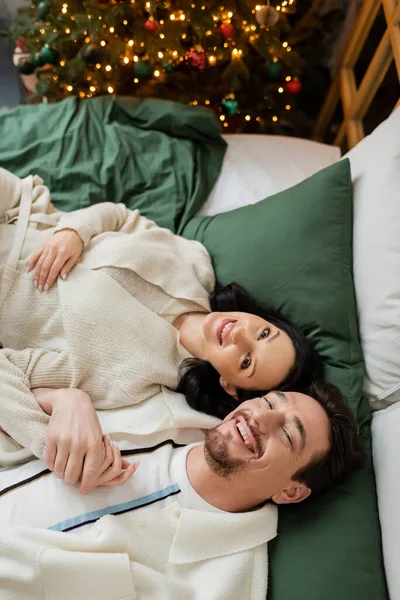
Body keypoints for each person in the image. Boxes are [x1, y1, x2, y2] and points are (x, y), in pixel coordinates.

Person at [0, 166, 318, 480]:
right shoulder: (195, 261)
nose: (240, 336)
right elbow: (119, 215)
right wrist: (74, 233)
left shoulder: (131, 379)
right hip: (18, 208)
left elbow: (7, 370)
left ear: (229, 386)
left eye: (247, 360)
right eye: (264, 333)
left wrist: (47, 439)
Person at [0, 382, 363, 600]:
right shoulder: (161, 404)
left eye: (287, 433)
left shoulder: (225, 584)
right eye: (269, 401)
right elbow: (12, 377)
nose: (260, 417)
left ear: (291, 492)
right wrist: (68, 400)